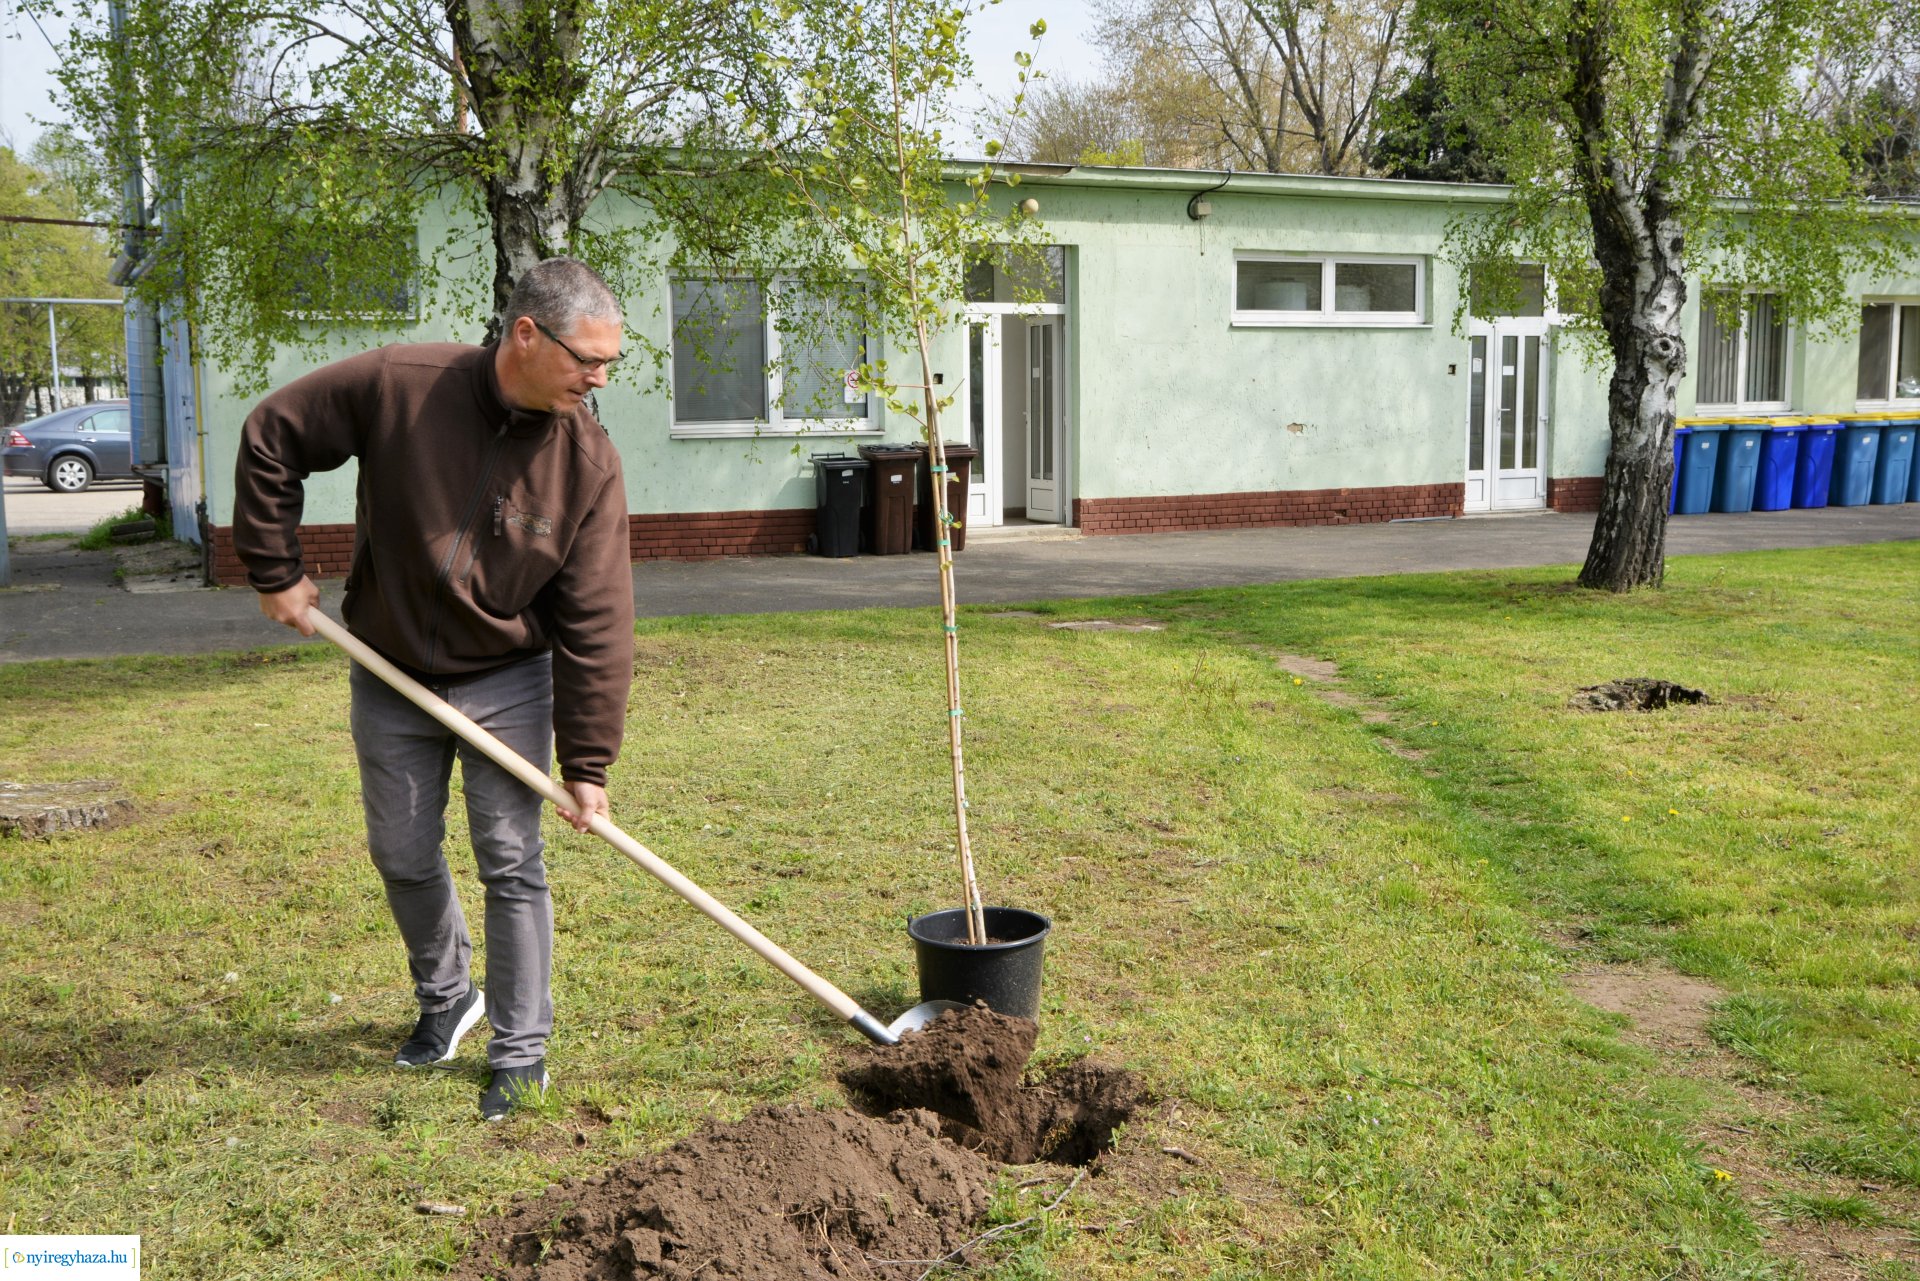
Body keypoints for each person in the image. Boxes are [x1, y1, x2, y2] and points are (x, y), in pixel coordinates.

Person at [233, 257, 635, 1121]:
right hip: (390, 670)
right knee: (404, 854)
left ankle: (520, 1049)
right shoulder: (401, 385)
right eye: (587, 360)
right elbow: (273, 433)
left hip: (507, 679)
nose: (600, 379)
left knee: (510, 862)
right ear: (526, 334)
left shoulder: (585, 464)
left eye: (612, 363)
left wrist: (588, 760)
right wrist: (275, 568)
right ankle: (448, 997)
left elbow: (598, 621)